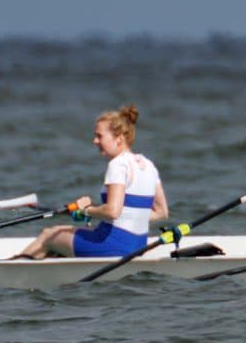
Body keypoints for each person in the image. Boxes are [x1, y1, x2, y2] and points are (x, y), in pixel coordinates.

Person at [17, 104, 167, 259]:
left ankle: (11, 268)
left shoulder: (118, 165)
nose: (94, 141)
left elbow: (112, 211)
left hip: (113, 245)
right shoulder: (149, 165)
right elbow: (162, 212)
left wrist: (87, 210)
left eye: (99, 136)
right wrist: (121, 216)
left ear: (119, 138)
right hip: (138, 246)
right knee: (66, 235)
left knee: (49, 234)